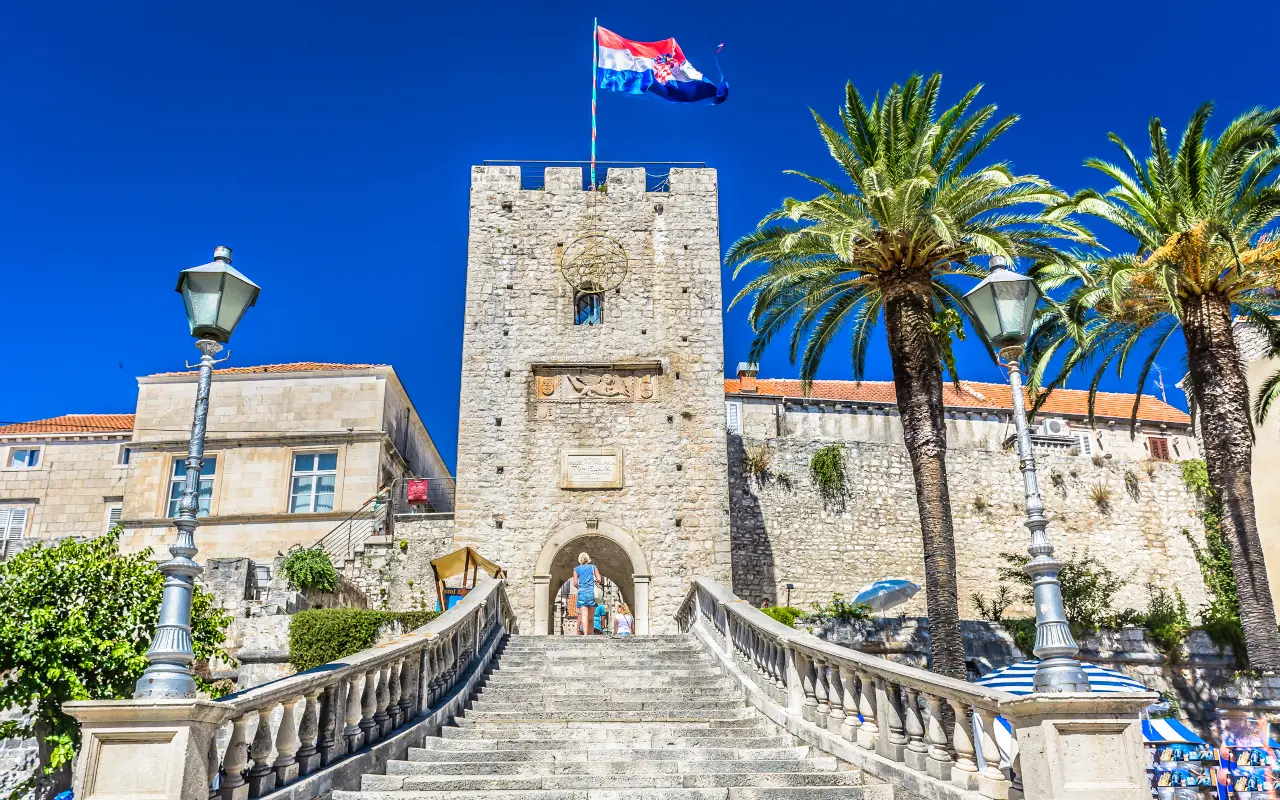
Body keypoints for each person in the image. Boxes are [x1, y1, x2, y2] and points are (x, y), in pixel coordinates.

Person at [570, 552, 601, 636]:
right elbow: (599, 579)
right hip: (592, 593)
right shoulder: (593, 567)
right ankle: (590, 634)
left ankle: (585, 634)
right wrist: (595, 581)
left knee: (584, 615)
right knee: (591, 618)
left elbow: (575, 583)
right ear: (588, 559)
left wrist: (581, 588)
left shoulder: (576, 569)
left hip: (582, 593)